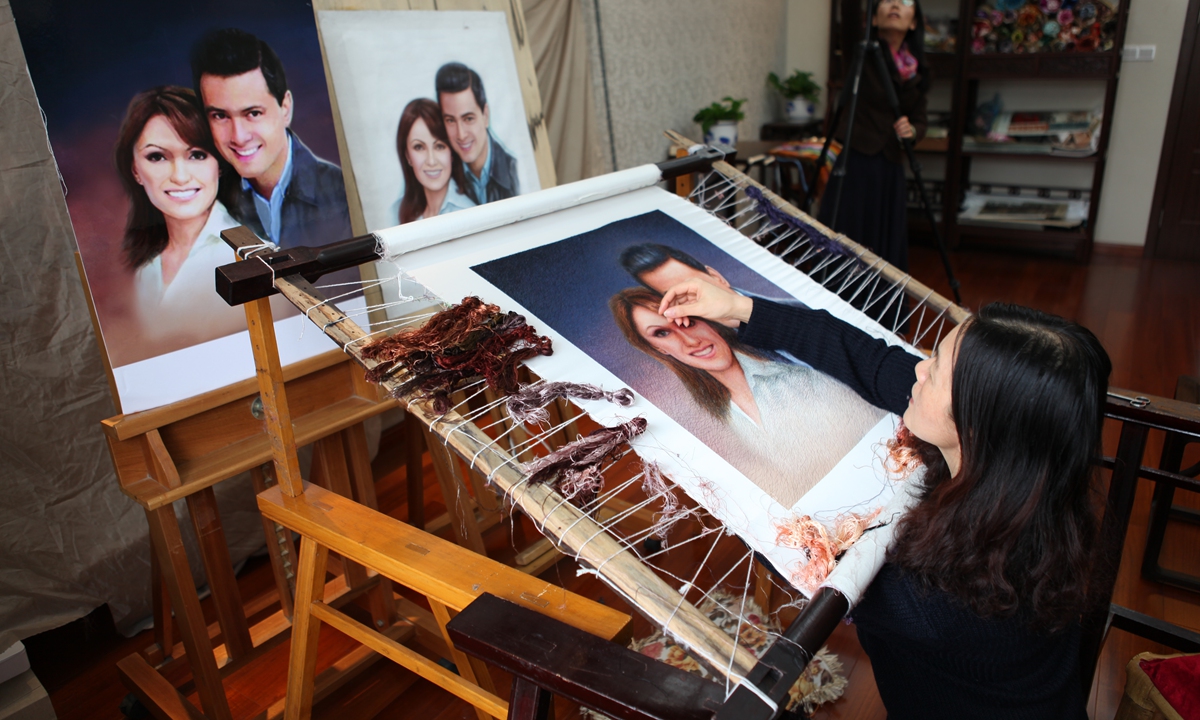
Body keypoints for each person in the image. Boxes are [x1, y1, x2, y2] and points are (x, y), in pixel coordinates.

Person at [657, 275, 1108, 719]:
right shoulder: (1034, 474)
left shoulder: (940, 599)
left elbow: (793, 550)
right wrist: (740, 309)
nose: (918, 369)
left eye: (935, 373)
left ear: (976, 423)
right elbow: (871, 360)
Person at [610, 287, 885, 507]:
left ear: (709, 320)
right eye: (663, 333)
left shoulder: (800, 379)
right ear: (658, 350)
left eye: (689, 321)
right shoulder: (714, 421)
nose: (690, 340)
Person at [190, 28, 351, 250]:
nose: (239, 136)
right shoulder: (202, 196)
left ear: (285, 108)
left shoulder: (343, 195)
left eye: (253, 113)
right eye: (220, 116)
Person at [114, 85, 245, 343]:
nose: (180, 176)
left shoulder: (250, 258)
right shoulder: (142, 267)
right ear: (136, 170)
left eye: (197, 154)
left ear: (219, 164)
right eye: (157, 157)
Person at [818, 0, 930, 274]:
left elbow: (920, 119)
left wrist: (912, 130)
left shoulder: (918, 69)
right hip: (856, 161)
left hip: (891, 166)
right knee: (847, 240)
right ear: (874, 18)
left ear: (914, 22)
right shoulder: (861, 52)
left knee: (885, 247)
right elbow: (850, 12)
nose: (894, 4)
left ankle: (881, 311)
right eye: (886, 0)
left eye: (904, 1)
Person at [619, 243, 809, 365]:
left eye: (694, 284)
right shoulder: (711, 353)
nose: (692, 298)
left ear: (716, 276)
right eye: (676, 295)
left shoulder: (800, 310)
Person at [436, 62, 519, 203]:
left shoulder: (515, 172)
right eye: (450, 120)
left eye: (468, 119)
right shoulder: (441, 178)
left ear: (485, 116)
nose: (461, 134)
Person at [394, 98, 477, 223]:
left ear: (452, 153)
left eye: (439, 146)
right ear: (408, 156)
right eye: (419, 147)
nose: (431, 161)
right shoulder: (396, 212)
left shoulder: (468, 214)